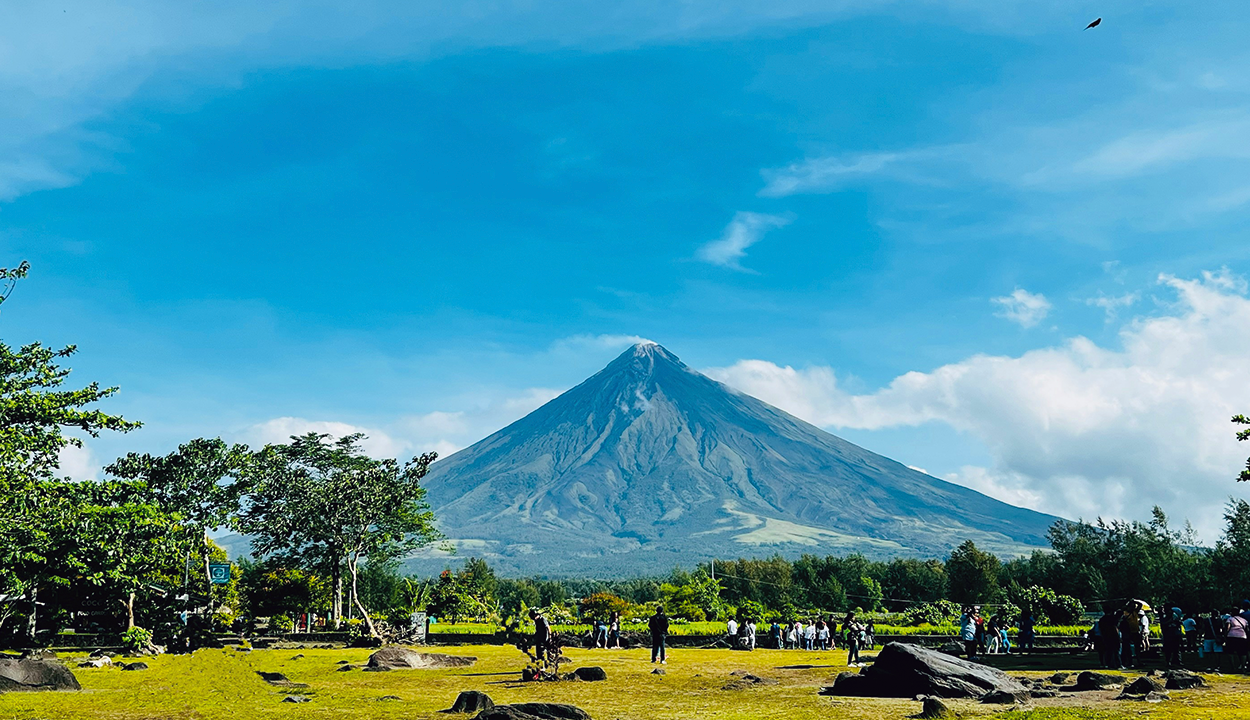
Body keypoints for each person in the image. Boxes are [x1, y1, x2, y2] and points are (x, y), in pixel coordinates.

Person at [1225, 606, 1249, 671]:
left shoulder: (1230, 619)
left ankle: (1233, 667)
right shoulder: (1244, 620)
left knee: (1230, 652)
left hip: (1231, 636)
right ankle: (1243, 666)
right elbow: (1247, 630)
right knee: (1243, 652)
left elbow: (1228, 628)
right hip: (1242, 636)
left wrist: (1225, 635)